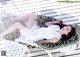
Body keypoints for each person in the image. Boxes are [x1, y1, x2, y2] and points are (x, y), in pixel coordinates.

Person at [0, 13, 75, 46]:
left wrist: (29, 43)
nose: (65, 27)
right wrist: (57, 22)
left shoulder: (56, 38)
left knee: (17, 25)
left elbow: (42, 42)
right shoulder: (57, 27)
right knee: (31, 15)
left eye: (67, 29)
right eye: (66, 26)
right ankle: (14, 19)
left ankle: (1, 35)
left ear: (66, 34)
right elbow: (46, 24)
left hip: (32, 36)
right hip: (36, 29)